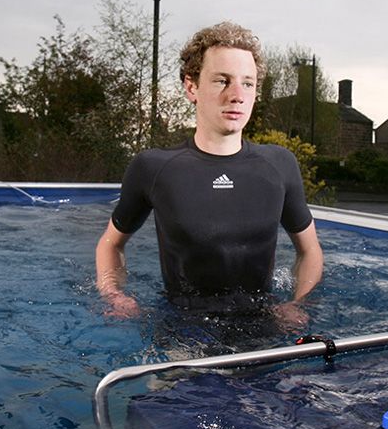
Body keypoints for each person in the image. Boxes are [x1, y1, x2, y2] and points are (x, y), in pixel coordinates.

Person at [95, 21, 323, 326]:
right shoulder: (154, 168)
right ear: (192, 87)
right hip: (181, 329)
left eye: (248, 83)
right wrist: (114, 295)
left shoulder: (279, 165)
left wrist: (299, 303)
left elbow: (309, 250)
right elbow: (111, 243)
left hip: (262, 327)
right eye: (222, 81)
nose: (237, 95)